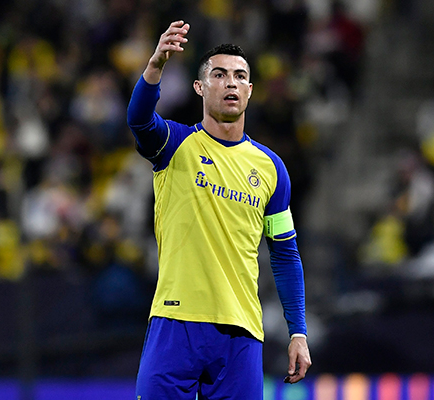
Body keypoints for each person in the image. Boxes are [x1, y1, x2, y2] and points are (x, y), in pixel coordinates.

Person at [127, 20, 311, 399]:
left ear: (250, 91)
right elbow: (139, 120)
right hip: (176, 321)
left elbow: (285, 253)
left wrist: (298, 331)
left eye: (240, 76)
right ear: (200, 87)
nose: (231, 83)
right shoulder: (175, 144)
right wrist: (156, 66)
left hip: (240, 334)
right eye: (220, 74)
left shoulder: (272, 169)